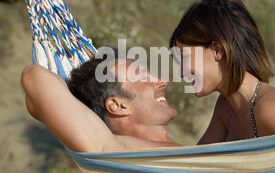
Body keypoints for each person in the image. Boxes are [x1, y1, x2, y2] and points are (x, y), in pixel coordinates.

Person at [169, 0, 275, 144]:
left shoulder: (270, 109)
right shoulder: (227, 108)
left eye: (184, 57)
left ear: (218, 50)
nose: (181, 73)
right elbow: (195, 162)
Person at [21, 49, 180, 154]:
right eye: (143, 77)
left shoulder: (195, 153)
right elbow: (33, 76)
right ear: (118, 106)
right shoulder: (117, 152)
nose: (162, 81)